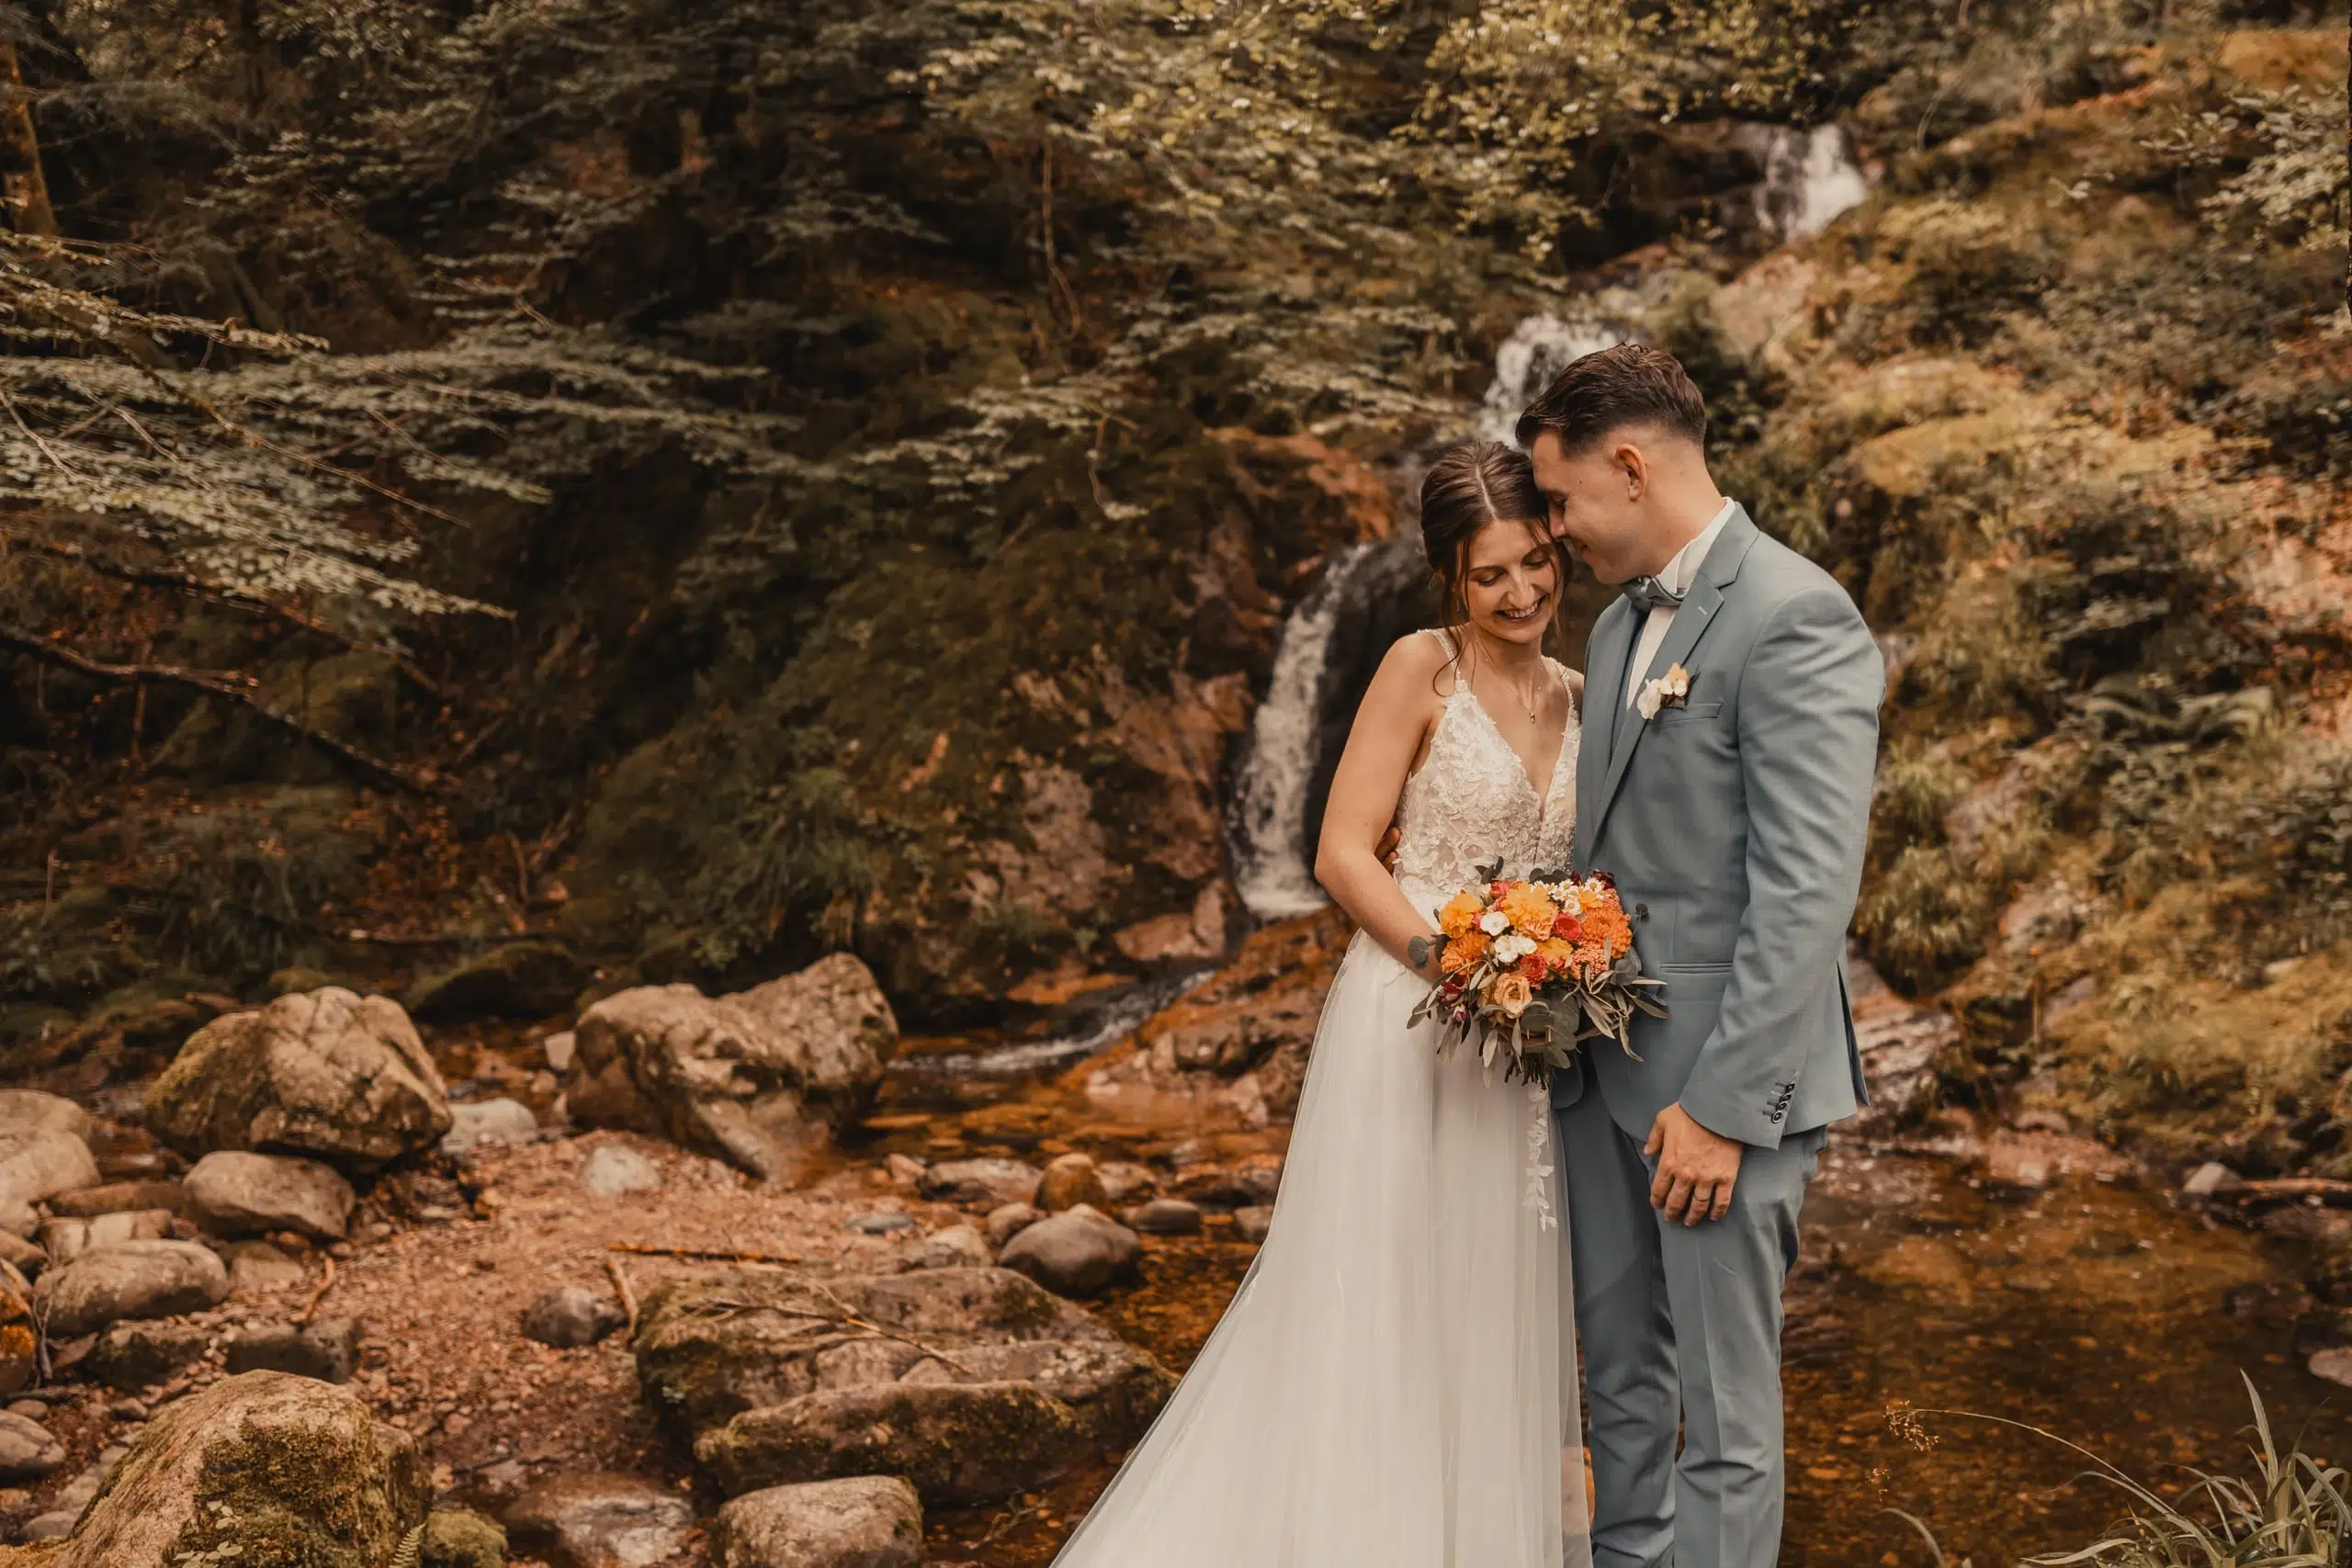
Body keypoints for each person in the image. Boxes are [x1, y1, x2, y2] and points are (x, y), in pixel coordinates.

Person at [1047, 440, 1593, 1568]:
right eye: (1489, 573)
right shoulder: (1418, 667)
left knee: (1489, 1302)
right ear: (1451, 574)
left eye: (1534, 562)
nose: (1521, 591)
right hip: (1411, 1018)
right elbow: (1341, 854)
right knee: (1379, 1297)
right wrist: (1454, 968)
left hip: (1520, 1040)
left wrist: (1551, 970)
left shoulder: (1580, 695)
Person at [1522, 343, 1883, 1568]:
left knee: (1724, 1418)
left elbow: (1807, 889)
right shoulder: (1621, 624)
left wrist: (1725, 1109)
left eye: (1561, 500)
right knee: (1620, 1388)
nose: (1553, 529)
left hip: (1725, 1093)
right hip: (1600, 1073)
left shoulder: (1797, 614)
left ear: (1629, 465)